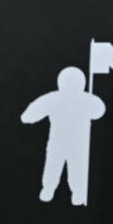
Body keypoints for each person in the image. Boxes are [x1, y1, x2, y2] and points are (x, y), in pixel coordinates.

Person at [20, 66, 106, 206]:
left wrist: (92, 102)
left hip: (74, 143)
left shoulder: (64, 98)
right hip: (66, 143)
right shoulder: (71, 99)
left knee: (70, 168)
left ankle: (73, 192)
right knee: (61, 167)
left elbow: (99, 111)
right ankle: (54, 189)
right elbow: (32, 112)